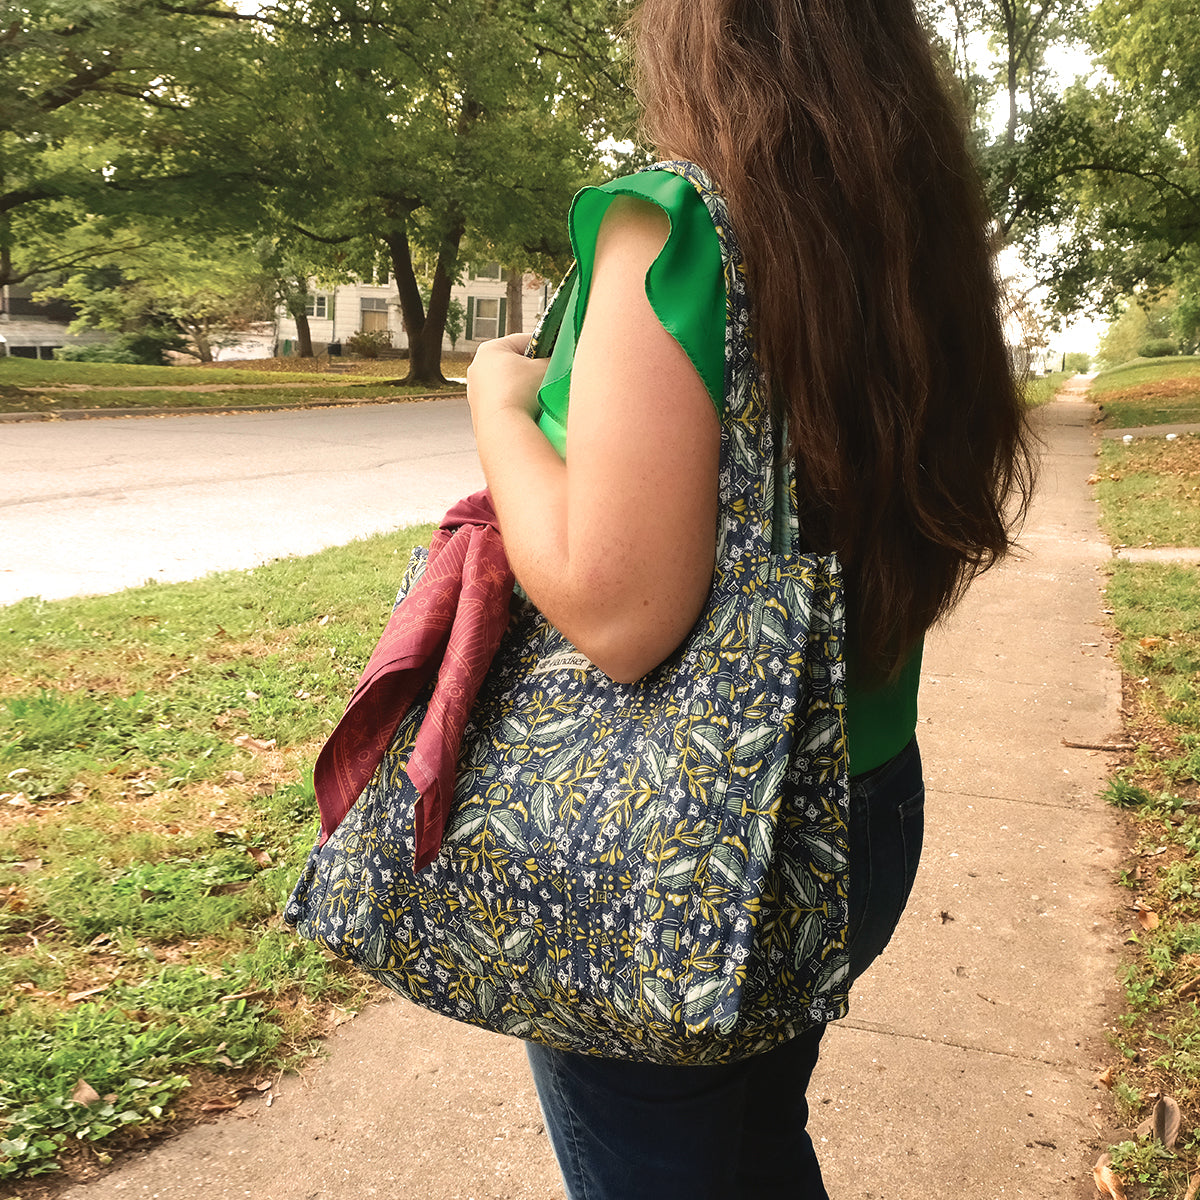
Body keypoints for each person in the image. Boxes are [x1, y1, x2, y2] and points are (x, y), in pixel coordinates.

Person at [465, 1, 1037, 1195]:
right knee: (760, 1143)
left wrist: (496, 407)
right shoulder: (914, 250)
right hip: (862, 803)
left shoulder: (673, 228)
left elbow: (617, 614)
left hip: (679, 840)